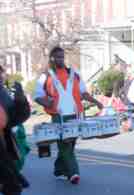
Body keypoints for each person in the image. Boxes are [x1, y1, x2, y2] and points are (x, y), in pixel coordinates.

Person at [34, 46, 103, 184]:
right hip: (58, 116)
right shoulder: (45, 76)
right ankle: (74, 173)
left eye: (62, 56)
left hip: (75, 114)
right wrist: (47, 103)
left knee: (70, 144)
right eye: (57, 57)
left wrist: (96, 102)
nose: (60, 59)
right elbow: (38, 96)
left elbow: (83, 93)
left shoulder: (74, 73)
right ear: (52, 58)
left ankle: (59, 170)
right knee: (65, 144)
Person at [0, 65, 31, 195]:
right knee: (12, 187)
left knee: (12, 187)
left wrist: (21, 101)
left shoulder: (2, 91)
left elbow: (14, 118)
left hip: (3, 147)